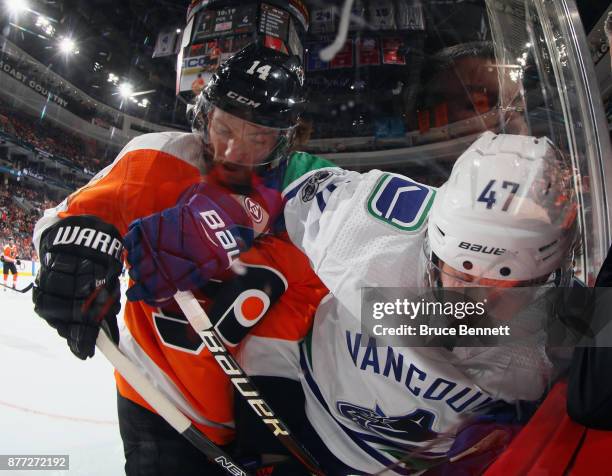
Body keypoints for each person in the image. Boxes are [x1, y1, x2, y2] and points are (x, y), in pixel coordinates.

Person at [32, 43, 331, 475]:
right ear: (205, 115)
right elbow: (61, 221)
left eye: (258, 137)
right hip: (156, 408)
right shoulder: (157, 161)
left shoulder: (312, 197)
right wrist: (74, 251)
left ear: (285, 139)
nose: (233, 151)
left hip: (267, 420)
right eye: (224, 128)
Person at [259, 131, 577, 475]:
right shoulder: (370, 230)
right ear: (434, 248)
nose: (473, 304)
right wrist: (214, 210)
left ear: (544, 280)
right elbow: (270, 168)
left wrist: (518, 421)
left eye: (504, 287)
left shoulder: (568, 322)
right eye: (464, 275)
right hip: (302, 418)